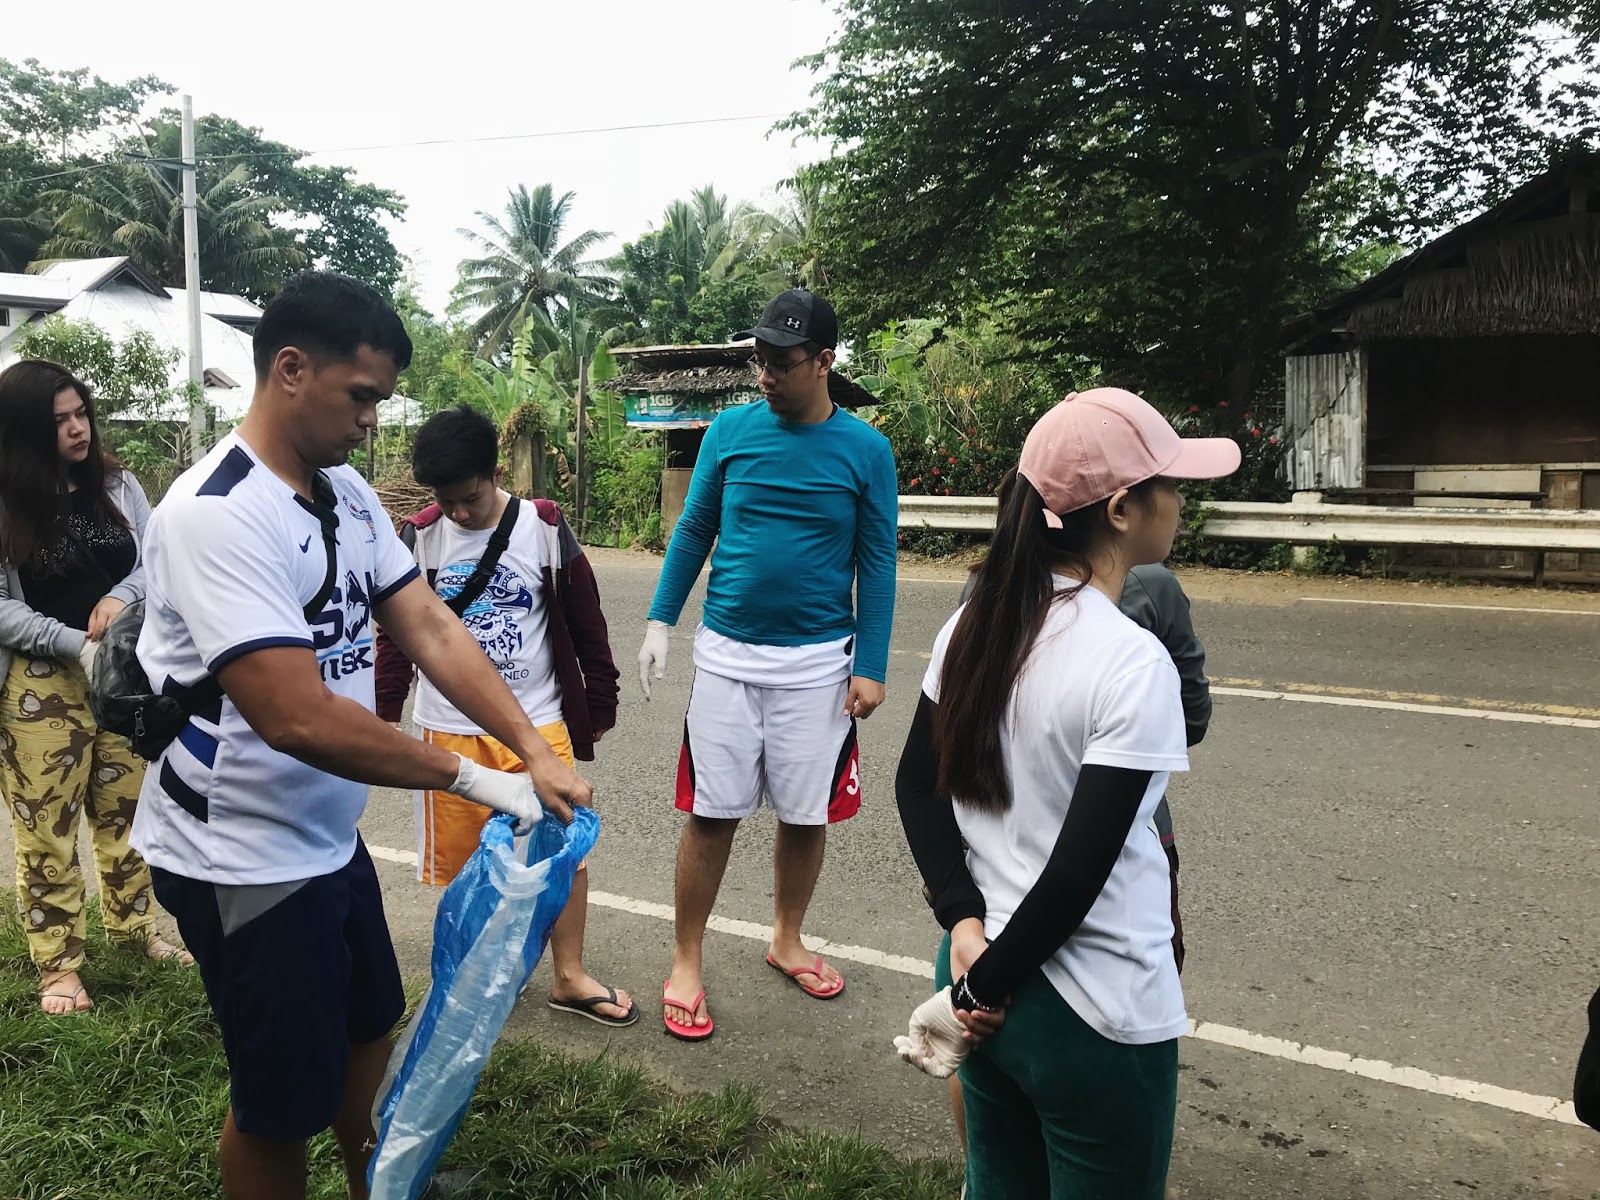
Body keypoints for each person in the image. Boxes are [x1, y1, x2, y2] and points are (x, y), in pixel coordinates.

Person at [129, 272, 594, 1200]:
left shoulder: (340, 492)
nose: (372, 421)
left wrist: (531, 750)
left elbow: (427, 625)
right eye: (363, 396)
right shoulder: (215, 512)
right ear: (291, 369)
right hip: (240, 854)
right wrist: (480, 784)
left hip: (323, 838)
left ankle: (370, 1185)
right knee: (279, 1100)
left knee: (369, 1022)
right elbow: (296, 716)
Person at [895, 387, 1239, 1198]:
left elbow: (917, 785)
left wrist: (965, 931)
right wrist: (984, 984)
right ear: (1122, 509)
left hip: (983, 975)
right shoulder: (1129, 661)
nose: (1181, 499)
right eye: (1170, 481)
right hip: (1093, 1009)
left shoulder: (974, 626)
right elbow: (1082, 874)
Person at [637, 288, 898, 1040]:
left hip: (818, 667)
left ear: (824, 362)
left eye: (782, 364)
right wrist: (661, 620)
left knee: (804, 812)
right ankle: (687, 958)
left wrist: (870, 664)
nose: (765, 377)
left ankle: (786, 938)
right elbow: (694, 532)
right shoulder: (729, 432)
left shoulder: (865, 450)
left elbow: (876, 563)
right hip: (725, 657)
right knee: (711, 813)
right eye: (759, 362)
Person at [374, 403, 633, 1026]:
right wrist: (385, 708)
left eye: (468, 497)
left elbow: (584, 620)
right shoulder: (419, 534)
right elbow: (396, 635)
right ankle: (478, 972)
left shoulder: (542, 526)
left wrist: (598, 702)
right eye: (446, 500)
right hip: (447, 730)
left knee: (562, 854)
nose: (458, 512)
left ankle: (568, 976)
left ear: (495, 471)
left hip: (538, 726)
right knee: (467, 868)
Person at [0, 359, 189, 1015]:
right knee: (47, 830)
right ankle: (58, 967)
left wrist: (115, 598)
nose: (77, 430)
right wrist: (69, 641)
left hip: (119, 670)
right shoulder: (6, 501)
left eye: (81, 413)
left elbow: (150, 563)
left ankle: (135, 932)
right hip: (39, 684)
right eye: (59, 422)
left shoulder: (116, 482)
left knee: (127, 811)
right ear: (24, 432)